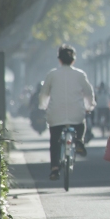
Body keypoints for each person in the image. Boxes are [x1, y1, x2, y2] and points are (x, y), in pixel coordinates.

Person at [39, 45, 95, 180]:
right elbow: (89, 93)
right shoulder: (80, 74)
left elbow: (44, 94)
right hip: (76, 114)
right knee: (81, 123)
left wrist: (43, 106)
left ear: (59, 60)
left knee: (54, 141)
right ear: (73, 60)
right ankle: (79, 140)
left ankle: (54, 169)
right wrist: (89, 107)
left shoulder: (52, 74)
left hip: (56, 114)